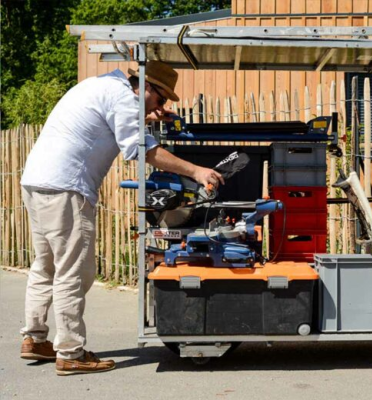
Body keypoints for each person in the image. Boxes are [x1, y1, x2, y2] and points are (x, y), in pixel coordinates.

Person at [19, 61, 223, 376]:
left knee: (45, 264)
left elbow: (115, 121)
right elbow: (143, 149)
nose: (162, 106)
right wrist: (196, 171)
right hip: (67, 188)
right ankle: (71, 352)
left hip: (37, 182)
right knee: (74, 272)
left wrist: (147, 114)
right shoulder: (124, 97)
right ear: (147, 87)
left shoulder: (102, 86)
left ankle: (34, 337)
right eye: (160, 100)